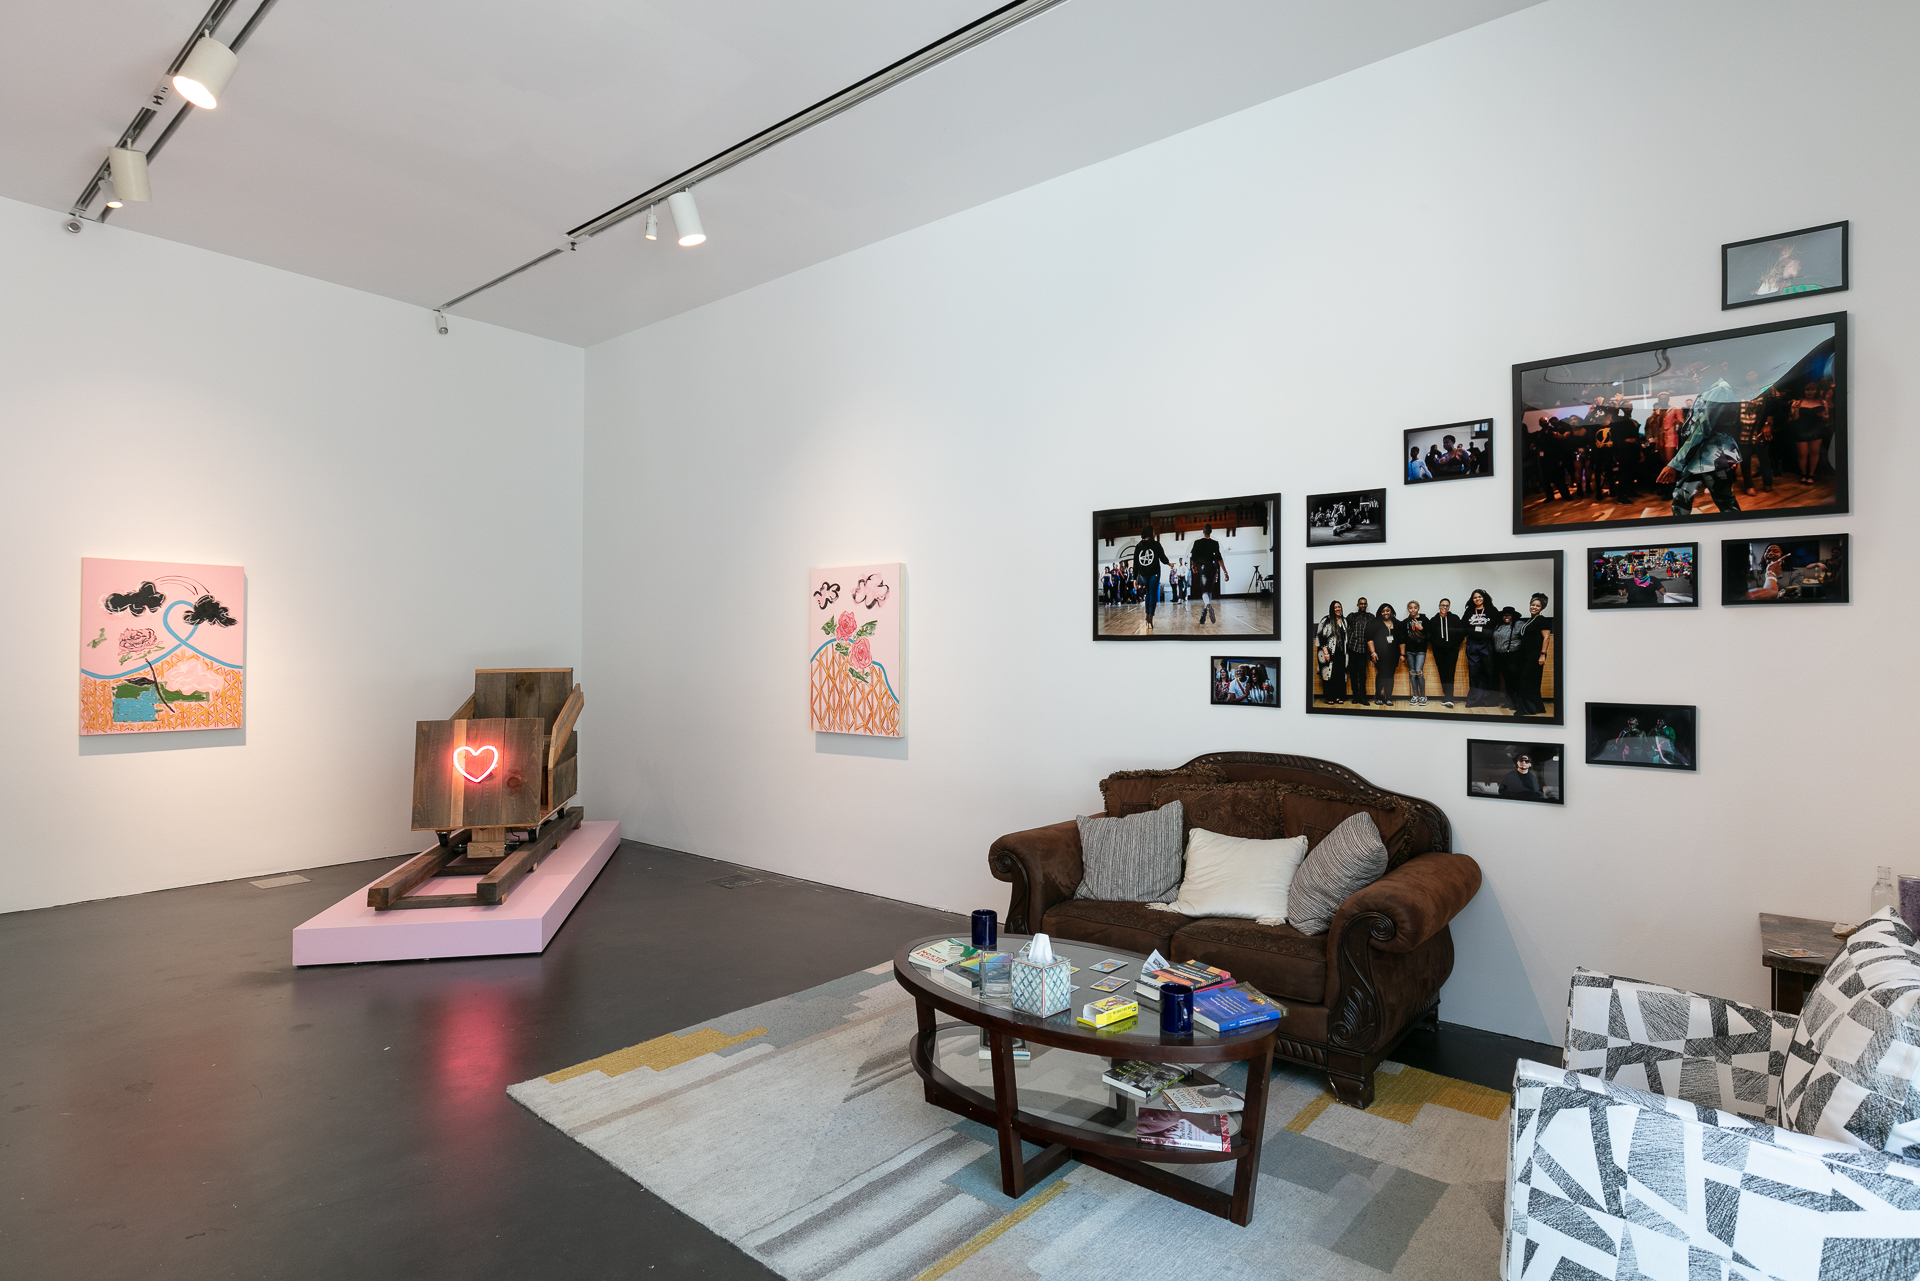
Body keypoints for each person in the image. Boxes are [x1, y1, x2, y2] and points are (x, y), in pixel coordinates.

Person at [1658, 381, 1744, 518]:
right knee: (1681, 499)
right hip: (1696, 455)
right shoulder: (1709, 389)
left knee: (1725, 501)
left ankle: (1739, 535)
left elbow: (1701, 430)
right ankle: (1680, 534)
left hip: (1712, 457)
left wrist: (1674, 463)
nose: (1694, 376)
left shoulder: (1720, 389)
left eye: (1698, 370)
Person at [1510, 592, 1552, 716]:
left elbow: (1546, 638)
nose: (1534, 607)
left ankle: (1525, 709)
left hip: (1534, 656)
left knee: (1525, 682)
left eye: (1537, 606)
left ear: (1542, 608)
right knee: (1532, 682)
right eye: (1532, 605)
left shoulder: (1542, 620)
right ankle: (1538, 707)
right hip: (1525, 655)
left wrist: (1542, 654)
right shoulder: (1531, 620)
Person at [1462, 588, 1499, 708]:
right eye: (1475, 597)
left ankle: (1489, 700)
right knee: (1474, 672)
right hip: (1473, 644)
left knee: (1489, 672)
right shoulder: (1469, 611)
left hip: (1487, 644)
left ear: (1484, 598)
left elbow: (1494, 627)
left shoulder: (1492, 610)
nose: (1477, 599)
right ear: (1472, 600)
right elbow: (1464, 626)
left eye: (1479, 597)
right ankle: (1474, 700)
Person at [1131, 523, 1172, 630]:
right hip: (1154, 573)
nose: (1155, 533)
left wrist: (1134, 578)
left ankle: (1147, 615)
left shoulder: (1138, 546)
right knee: (1152, 595)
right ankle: (1150, 616)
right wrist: (1169, 564)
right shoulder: (1156, 545)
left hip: (1144, 574)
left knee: (1148, 594)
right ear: (1150, 532)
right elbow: (1162, 558)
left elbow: (1135, 563)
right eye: (1153, 531)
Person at [1788, 383, 1829, 485]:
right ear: (1804, 391)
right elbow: (1794, 419)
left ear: (1816, 390)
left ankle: (1811, 474)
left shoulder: (1822, 402)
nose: (1809, 392)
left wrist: (1823, 416)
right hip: (1801, 430)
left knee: (1814, 452)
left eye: (1812, 389)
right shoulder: (1797, 402)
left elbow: (1827, 416)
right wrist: (1796, 409)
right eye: (1807, 390)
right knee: (1802, 454)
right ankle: (1803, 473)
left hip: (1816, 430)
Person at [1427, 597, 1463, 708]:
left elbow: (1461, 633)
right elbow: (1429, 635)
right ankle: (1446, 696)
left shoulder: (1455, 618)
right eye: (1442, 605)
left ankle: (1449, 698)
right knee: (1442, 673)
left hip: (1452, 650)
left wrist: (1454, 644)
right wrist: (1437, 644)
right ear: (1439, 606)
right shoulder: (1433, 620)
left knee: (1450, 672)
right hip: (1439, 651)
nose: (1444, 607)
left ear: (1449, 607)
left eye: (1447, 605)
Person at [1190, 524, 1227, 625]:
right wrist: (1225, 571)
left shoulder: (1197, 543)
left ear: (1203, 531)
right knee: (1209, 590)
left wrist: (1193, 567)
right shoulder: (1214, 543)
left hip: (1203, 568)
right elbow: (1219, 559)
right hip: (1213, 568)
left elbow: (1192, 557)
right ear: (1211, 532)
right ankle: (1204, 612)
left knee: (1204, 592)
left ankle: (1207, 605)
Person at [1315, 602, 1348, 704]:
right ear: (1331, 609)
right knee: (1329, 675)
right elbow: (1321, 637)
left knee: (1340, 675)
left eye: (1339, 607)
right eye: (1335, 607)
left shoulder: (1344, 620)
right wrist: (1326, 653)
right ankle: (1330, 697)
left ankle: (1339, 696)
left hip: (1341, 653)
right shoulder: (1326, 620)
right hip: (1328, 653)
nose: (1338, 609)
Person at [1344, 597, 1375, 704]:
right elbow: (1344, 628)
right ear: (1358, 605)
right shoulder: (1352, 616)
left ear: (1366, 605)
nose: (1363, 605)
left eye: (1364, 604)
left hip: (1363, 649)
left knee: (1362, 675)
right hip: (1352, 648)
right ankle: (1355, 696)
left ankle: (1363, 697)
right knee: (1353, 674)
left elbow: (1374, 632)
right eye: (1361, 604)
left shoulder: (1370, 617)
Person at [1371, 603, 1402, 707]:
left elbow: (1402, 640)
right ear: (1380, 612)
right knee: (1382, 674)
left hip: (1393, 655)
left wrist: (1402, 654)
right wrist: (1373, 652)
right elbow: (1369, 639)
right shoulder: (1375, 623)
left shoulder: (1397, 623)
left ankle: (1388, 697)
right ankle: (1378, 696)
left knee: (1390, 675)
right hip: (1379, 655)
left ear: (1391, 611)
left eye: (1387, 611)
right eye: (1383, 611)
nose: (1385, 613)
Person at [1401, 599, 1429, 707]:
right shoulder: (1405, 622)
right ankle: (1415, 696)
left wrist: (1421, 629)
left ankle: (1423, 696)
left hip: (1420, 651)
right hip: (1409, 651)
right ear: (1408, 609)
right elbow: (1403, 638)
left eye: (1415, 608)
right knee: (1412, 672)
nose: (1413, 610)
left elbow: (1429, 636)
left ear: (1418, 608)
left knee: (1418, 671)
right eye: (1410, 608)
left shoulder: (1424, 619)